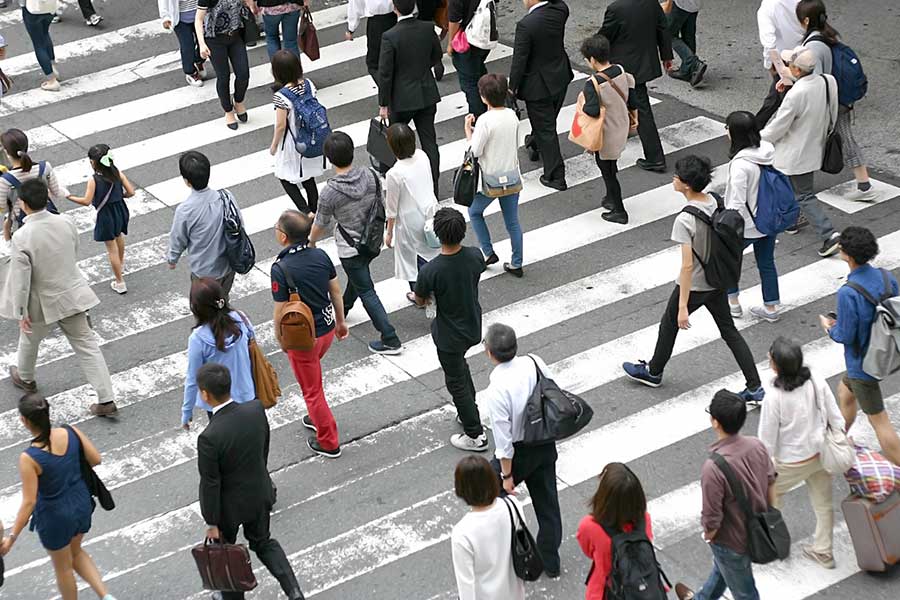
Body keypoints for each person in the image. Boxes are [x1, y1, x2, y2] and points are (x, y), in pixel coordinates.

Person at [622, 156, 764, 403]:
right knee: (729, 331)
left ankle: (654, 372)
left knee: (669, 325)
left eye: (677, 177)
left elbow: (687, 266)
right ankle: (754, 386)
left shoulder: (685, 219)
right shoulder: (714, 200)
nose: (673, 179)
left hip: (698, 283)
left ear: (686, 185)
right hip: (719, 278)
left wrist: (682, 307)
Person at [2, 179, 118, 416]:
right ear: (46, 199)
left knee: (30, 338)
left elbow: (21, 279)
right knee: (87, 346)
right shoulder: (66, 221)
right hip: (71, 294)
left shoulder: (22, 237)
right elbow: (73, 251)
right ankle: (106, 398)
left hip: (41, 300)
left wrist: (21, 310)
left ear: (23, 204)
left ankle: (26, 378)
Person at [196, 363, 305, 600]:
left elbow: (210, 484)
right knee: (263, 542)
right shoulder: (255, 410)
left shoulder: (209, 438)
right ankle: (294, 591)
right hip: (259, 493)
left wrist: (211, 521)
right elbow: (263, 449)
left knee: (225, 553)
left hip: (229, 508)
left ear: (205, 394)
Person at [0, 395, 118, 600]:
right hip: (81, 504)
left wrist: (12, 537)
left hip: (55, 517)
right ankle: (106, 596)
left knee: (63, 568)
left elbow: (29, 502)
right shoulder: (70, 432)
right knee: (77, 551)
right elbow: (96, 459)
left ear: (24, 421)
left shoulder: (29, 458)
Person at [674, 390, 775, 600]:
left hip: (731, 541)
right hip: (757, 527)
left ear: (715, 422)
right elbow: (770, 483)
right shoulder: (757, 445)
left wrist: (709, 535)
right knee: (721, 572)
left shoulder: (713, 467)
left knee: (745, 592)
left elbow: (712, 516)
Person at [309, 132, 403, 355]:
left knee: (367, 290)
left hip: (350, 248)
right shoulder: (371, 174)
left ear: (329, 159)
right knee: (359, 277)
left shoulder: (330, 191)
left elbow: (320, 223)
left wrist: (311, 241)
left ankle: (390, 337)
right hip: (372, 241)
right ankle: (345, 307)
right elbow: (380, 203)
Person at [482, 323, 563, 577]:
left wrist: (507, 477)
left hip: (518, 453)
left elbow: (503, 442)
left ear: (490, 353)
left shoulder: (496, 390)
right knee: (548, 503)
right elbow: (552, 389)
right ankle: (551, 562)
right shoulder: (534, 361)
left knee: (487, 497)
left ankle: (506, 552)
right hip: (544, 442)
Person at [758, 336, 844, 569]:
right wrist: (840, 436)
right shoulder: (816, 380)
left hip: (790, 462)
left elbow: (766, 440)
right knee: (823, 504)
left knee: (771, 498)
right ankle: (824, 551)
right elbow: (834, 414)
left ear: (776, 365)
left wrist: (764, 470)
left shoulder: (774, 397)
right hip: (820, 453)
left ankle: (776, 544)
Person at [272, 210, 349, 458]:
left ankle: (328, 441)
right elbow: (336, 292)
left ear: (284, 237)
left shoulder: (281, 268)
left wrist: (280, 338)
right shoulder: (320, 255)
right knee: (313, 378)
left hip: (302, 338)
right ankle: (315, 414)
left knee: (312, 391)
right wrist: (341, 322)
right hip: (326, 331)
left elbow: (280, 310)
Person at [820, 226, 900, 465]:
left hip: (862, 363)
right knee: (845, 392)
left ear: (847, 255)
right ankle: (839, 441)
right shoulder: (887, 277)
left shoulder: (848, 292)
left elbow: (845, 335)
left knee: (880, 422)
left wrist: (829, 327)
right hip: (886, 350)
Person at [414, 208, 487, 451]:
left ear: (437, 234)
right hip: (472, 324)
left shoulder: (431, 270)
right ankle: (469, 411)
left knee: (455, 380)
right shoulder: (475, 255)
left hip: (448, 334)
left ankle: (475, 434)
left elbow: (420, 298)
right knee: (461, 370)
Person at [760, 46, 840, 257]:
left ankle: (829, 234)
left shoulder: (796, 94)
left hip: (794, 151)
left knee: (803, 194)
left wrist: (756, 138)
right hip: (815, 144)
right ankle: (792, 220)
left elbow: (779, 126)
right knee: (788, 186)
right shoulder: (827, 80)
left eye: (789, 65)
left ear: (796, 70)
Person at [796, 0, 878, 203]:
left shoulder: (813, 45)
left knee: (807, 140)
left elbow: (813, 81)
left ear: (806, 20)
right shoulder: (827, 34)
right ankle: (864, 185)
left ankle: (800, 187)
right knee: (845, 139)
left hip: (830, 103)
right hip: (839, 99)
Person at [598, 0, 673, 173]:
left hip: (624, 64)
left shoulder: (616, 8)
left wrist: (592, 52)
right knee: (633, 103)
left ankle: (655, 158)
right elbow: (662, 27)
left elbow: (605, 36)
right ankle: (626, 130)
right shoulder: (651, 2)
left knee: (640, 109)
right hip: (643, 61)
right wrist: (666, 56)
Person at [378, 0, 442, 197]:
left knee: (395, 142)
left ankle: (398, 185)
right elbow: (436, 55)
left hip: (401, 98)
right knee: (429, 141)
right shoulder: (427, 27)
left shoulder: (389, 36)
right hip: (426, 92)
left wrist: (383, 103)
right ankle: (434, 188)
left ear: (395, 8)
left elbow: (385, 74)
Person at [722, 111, 782, 322]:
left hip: (748, 225)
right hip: (769, 219)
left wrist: (727, 230)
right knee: (766, 263)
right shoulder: (767, 151)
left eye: (727, 128)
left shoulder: (740, 165)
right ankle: (771, 307)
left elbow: (736, 203)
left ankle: (733, 304)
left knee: (729, 261)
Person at [509, 0, 574, 191]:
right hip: (559, 75)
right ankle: (533, 143)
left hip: (538, 85)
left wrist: (512, 88)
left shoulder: (526, 25)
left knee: (546, 129)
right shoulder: (561, 9)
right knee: (545, 122)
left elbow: (519, 60)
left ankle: (556, 176)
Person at [464, 74, 524, 276]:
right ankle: (517, 263)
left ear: (483, 97)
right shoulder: (512, 116)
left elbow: (475, 151)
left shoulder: (485, 120)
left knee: (474, 212)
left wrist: (468, 132)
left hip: (490, 180)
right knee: (512, 222)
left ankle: (488, 251)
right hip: (512, 176)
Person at [182, 277, 256, 430]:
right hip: (247, 393)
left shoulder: (198, 338)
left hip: (219, 402)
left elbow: (192, 378)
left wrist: (187, 411)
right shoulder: (240, 318)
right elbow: (252, 342)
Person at [579, 35, 637, 224]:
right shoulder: (620, 70)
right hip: (622, 126)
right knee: (611, 166)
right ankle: (610, 198)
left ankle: (619, 210)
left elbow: (592, 111)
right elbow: (632, 97)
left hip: (606, 133)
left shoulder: (593, 83)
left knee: (608, 171)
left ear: (593, 60)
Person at [167, 150, 241, 298]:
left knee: (204, 311)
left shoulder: (185, 210)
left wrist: (172, 259)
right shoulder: (226, 196)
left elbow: (178, 238)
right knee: (222, 302)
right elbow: (240, 225)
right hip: (228, 266)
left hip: (204, 272)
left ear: (187, 181)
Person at [451, 455, 525, 600]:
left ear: (461, 490)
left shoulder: (462, 533)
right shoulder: (513, 505)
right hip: (515, 592)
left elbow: (466, 584)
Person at [65, 144, 136, 295]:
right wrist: (120, 197)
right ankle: (120, 264)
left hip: (106, 214)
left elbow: (86, 201)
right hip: (121, 209)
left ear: (92, 162)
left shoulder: (94, 180)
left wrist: (69, 196)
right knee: (119, 236)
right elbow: (131, 192)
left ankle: (120, 282)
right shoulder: (117, 172)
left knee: (111, 248)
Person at [577, 463, 653, 599]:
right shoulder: (644, 519)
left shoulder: (589, 526)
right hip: (643, 589)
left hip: (606, 591)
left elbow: (588, 551)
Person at [384, 123, 440, 300]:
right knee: (432, 250)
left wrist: (389, 232)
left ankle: (421, 295)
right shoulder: (422, 156)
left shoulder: (395, 173)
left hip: (409, 220)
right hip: (430, 209)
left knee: (414, 259)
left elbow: (391, 208)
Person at [269, 49, 326, 215]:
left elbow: (280, 125)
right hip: (311, 136)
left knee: (284, 176)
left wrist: (273, 146)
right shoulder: (309, 85)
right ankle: (314, 210)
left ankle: (306, 211)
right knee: (308, 177)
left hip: (292, 141)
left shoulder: (282, 96)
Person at [196, 0, 256, 129]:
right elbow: (199, 19)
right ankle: (228, 111)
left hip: (235, 35)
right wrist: (202, 44)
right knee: (223, 77)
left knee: (243, 73)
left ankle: (238, 101)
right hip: (214, 40)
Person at [0, 128, 66, 242]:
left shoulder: (5, 180)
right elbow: (57, 192)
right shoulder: (45, 167)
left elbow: (4, 208)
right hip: (48, 219)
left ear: (6, 152)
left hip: (26, 225)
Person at [754, 0, 805, 128]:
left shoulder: (768, 7)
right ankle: (756, 126)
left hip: (785, 60)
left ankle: (757, 129)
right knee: (777, 96)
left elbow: (769, 44)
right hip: (806, 54)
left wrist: (770, 64)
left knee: (785, 100)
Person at [445, 0, 489, 116]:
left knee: (470, 83)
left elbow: (455, 20)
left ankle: (478, 116)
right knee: (480, 72)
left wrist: (450, 43)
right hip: (485, 35)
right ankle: (491, 106)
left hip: (467, 40)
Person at [346, 0, 396, 86]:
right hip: (395, 17)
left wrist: (351, 28)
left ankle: (387, 90)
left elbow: (355, 5)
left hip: (376, 23)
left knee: (375, 63)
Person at [159, 0, 208, 87]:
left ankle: (199, 60)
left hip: (200, 14)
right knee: (187, 46)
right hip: (181, 20)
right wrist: (165, 17)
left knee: (206, 41)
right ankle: (191, 72)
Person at [663, 0, 707, 87]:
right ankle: (687, 71)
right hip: (695, 4)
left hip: (681, 3)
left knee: (668, 35)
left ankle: (693, 63)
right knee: (688, 34)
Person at [21, 0, 60, 91]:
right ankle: (52, 66)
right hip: (50, 7)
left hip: (32, 9)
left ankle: (52, 80)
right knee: (45, 33)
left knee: (38, 43)